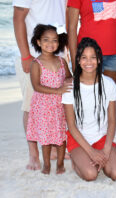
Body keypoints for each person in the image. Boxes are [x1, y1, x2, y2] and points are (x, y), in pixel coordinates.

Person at [13, 0, 69, 170]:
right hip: (35, 56)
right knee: (32, 104)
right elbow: (18, 18)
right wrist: (26, 55)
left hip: (60, 54)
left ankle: (58, 148)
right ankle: (34, 154)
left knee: (58, 103)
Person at [62, 38, 116, 181]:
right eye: (84, 58)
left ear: (99, 60)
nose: (88, 62)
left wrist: (107, 148)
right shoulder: (70, 87)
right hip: (79, 138)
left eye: (93, 58)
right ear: (78, 60)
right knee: (91, 175)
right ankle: (76, 158)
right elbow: (71, 126)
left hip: (101, 136)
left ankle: (92, 158)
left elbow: (112, 120)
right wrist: (91, 153)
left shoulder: (108, 84)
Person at [26, 24, 72, 174]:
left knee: (60, 136)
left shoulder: (61, 61)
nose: (50, 44)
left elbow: (69, 78)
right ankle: (46, 164)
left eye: (54, 40)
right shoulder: (36, 63)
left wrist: (68, 82)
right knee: (46, 138)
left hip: (59, 106)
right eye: (46, 40)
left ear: (59, 43)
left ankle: (60, 164)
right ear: (38, 42)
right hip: (43, 106)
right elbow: (36, 86)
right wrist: (57, 90)